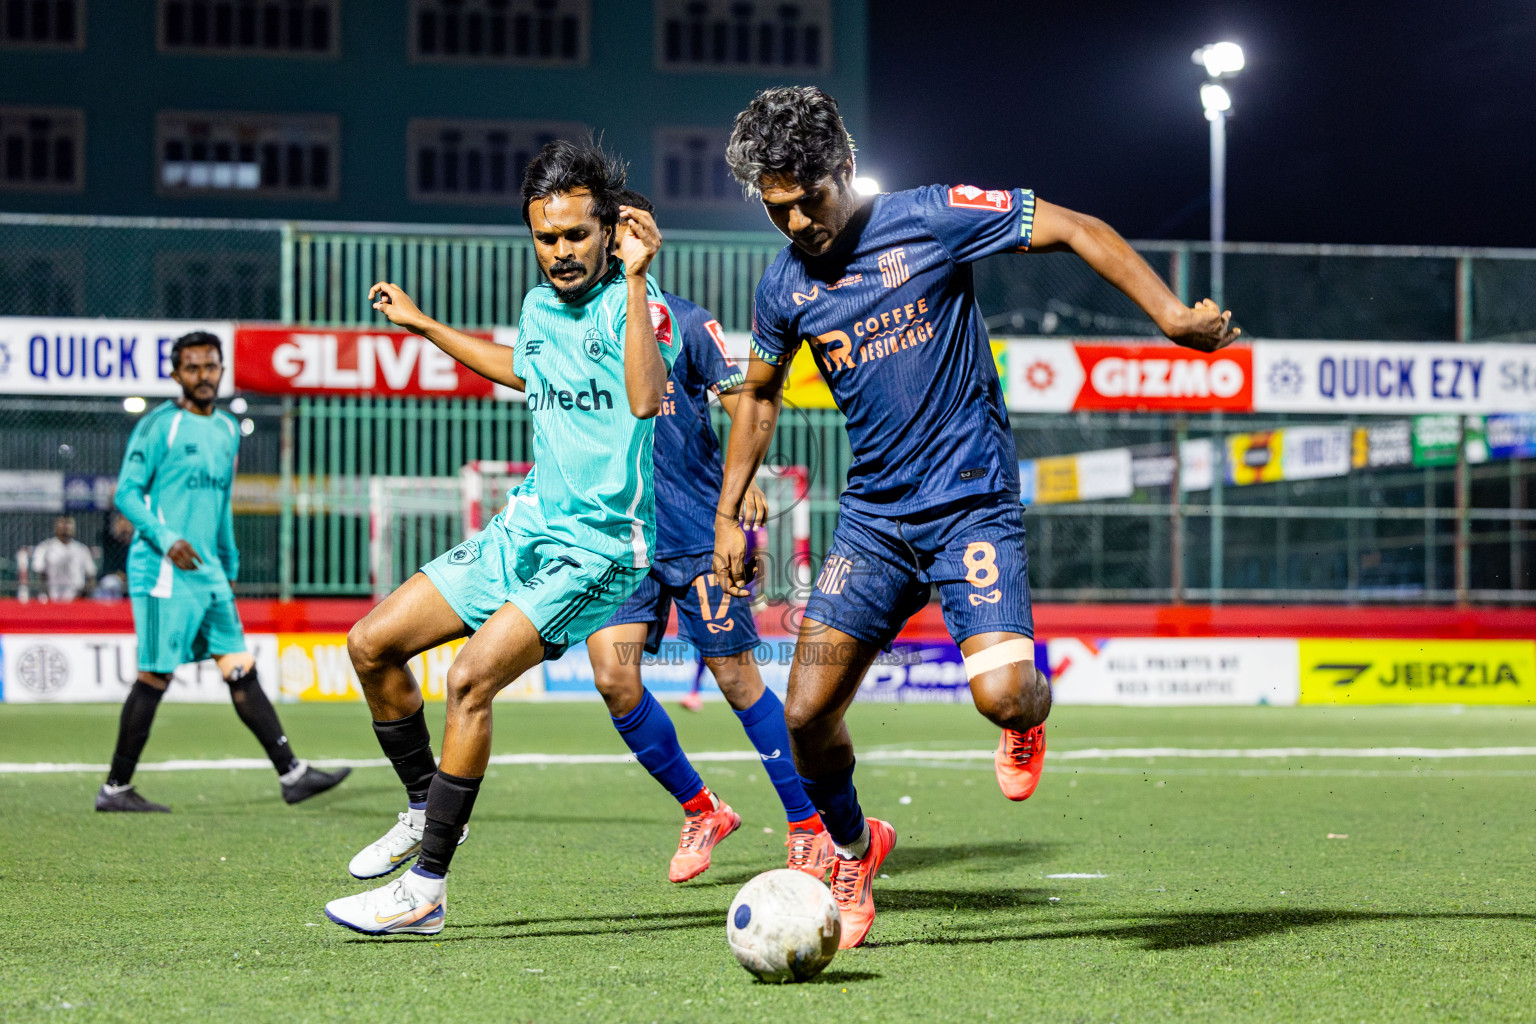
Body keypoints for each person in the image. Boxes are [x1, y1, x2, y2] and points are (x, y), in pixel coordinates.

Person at [713, 86, 1240, 948]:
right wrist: (731, 511)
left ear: (843, 169)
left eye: (809, 198)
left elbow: (1077, 228)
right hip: (876, 521)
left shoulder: (931, 216)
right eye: (778, 209)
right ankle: (855, 848)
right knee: (804, 717)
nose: (798, 222)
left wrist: (1172, 317)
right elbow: (760, 397)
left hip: (970, 506)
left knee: (1001, 698)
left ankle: (1032, 716)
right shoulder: (783, 286)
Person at [327, 140, 676, 936]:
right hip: (523, 529)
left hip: (599, 547)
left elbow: (647, 397)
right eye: (546, 237)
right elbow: (522, 367)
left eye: (577, 235)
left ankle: (426, 890)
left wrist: (635, 274)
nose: (561, 251)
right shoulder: (535, 307)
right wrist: (422, 325)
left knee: (470, 679)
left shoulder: (638, 304)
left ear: (611, 230)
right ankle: (426, 805)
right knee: (371, 644)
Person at [583, 190, 833, 884]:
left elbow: (743, 405)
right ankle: (703, 809)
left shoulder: (688, 324)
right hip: (618, 541)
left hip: (694, 530)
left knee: (735, 677)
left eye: (623, 228)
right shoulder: (580, 329)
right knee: (614, 678)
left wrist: (741, 485)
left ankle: (809, 825)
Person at [95, 331, 351, 813]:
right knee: (156, 675)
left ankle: (292, 774)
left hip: (208, 571)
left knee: (240, 668)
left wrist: (228, 560)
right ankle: (115, 788)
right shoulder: (159, 426)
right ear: (175, 375)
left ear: (221, 370)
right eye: (192, 367)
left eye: (211, 366)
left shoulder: (227, 429)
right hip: (163, 569)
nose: (204, 375)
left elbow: (220, 502)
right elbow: (127, 494)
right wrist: (168, 540)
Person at [31, 516, 96, 602]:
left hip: (77, 597)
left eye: (69, 523)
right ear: (55, 527)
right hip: (52, 595)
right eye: (62, 523)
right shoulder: (45, 547)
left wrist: (84, 595)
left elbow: (91, 574)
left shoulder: (81, 549)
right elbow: (39, 571)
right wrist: (45, 593)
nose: (65, 527)